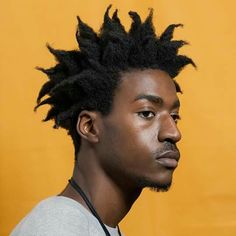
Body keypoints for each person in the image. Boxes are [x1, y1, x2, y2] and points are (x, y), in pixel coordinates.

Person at [11, 5, 195, 236]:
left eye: (175, 116)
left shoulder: (94, 227)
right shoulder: (57, 226)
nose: (173, 132)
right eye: (147, 113)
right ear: (89, 126)